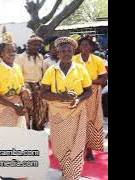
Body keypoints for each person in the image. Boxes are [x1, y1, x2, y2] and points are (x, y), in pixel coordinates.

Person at [41, 37, 92, 180]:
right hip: (57, 114)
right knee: (60, 146)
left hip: (77, 112)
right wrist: (60, 96)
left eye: (69, 50)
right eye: (62, 50)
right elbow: (43, 93)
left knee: (76, 146)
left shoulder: (80, 69)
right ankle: (66, 171)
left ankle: (72, 175)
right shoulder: (51, 71)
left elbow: (88, 91)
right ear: (58, 52)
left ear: (73, 51)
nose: (66, 53)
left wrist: (78, 99)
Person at [72, 36, 108, 161]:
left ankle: (89, 150)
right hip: (77, 93)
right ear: (79, 47)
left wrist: (88, 81)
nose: (84, 47)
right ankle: (76, 149)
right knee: (77, 121)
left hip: (93, 95)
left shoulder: (98, 60)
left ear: (91, 47)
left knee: (91, 121)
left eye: (87, 45)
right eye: (82, 45)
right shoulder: (73, 60)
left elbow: (104, 79)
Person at [0, 28, 30, 129]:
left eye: (13, 51)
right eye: (8, 51)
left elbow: (20, 88)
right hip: (3, 108)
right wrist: (13, 105)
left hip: (18, 106)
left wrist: (25, 91)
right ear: (1, 54)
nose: (12, 53)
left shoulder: (17, 67)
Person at [15, 35, 47, 130]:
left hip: (38, 86)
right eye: (34, 45)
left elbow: (43, 72)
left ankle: (37, 128)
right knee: (27, 110)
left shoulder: (40, 57)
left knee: (40, 109)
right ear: (28, 45)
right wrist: (22, 89)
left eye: (38, 45)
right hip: (26, 86)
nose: (37, 47)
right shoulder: (20, 58)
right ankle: (27, 130)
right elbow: (18, 74)